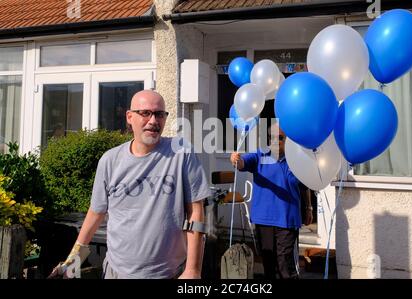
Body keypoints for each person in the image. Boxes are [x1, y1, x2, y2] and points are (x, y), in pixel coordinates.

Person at [49, 90, 211, 279]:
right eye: (145, 113)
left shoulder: (181, 152)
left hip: (169, 273)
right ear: (129, 117)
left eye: (159, 114)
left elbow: (196, 211)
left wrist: (192, 270)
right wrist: (72, 262)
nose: (153, 121)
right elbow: (96, 213)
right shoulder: (110, 160)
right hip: (116, 272)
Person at [230, 122, 313, 279]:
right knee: (268, 264)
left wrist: (308, 208)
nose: (275, 141)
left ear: (289, 140)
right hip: (264, 219)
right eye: (271, 137)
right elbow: (242, 163)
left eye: (280, 138)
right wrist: (236, 159)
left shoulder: (297, 159)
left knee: (285, 265)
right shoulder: (260, 155)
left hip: (287, 219)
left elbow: (304, 185)